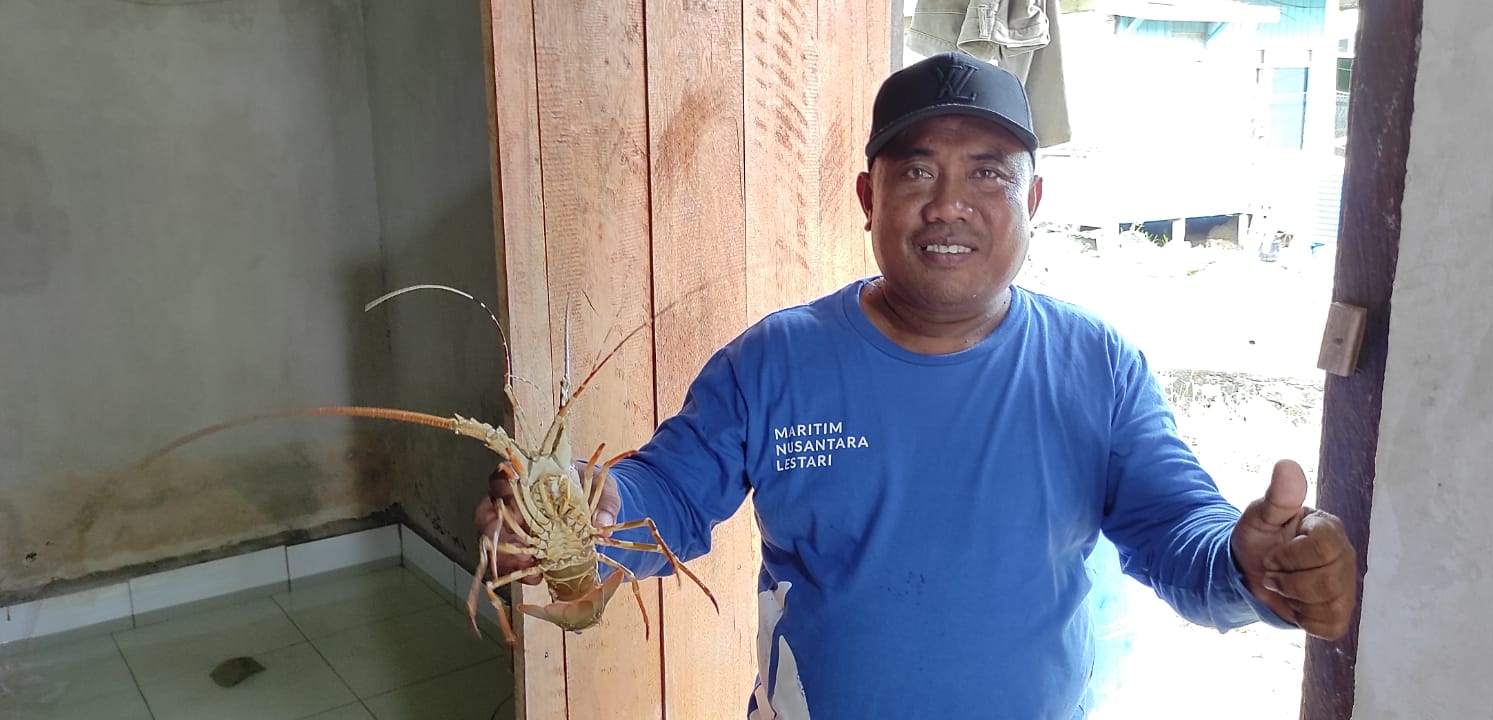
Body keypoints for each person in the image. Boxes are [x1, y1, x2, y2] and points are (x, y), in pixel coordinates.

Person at [475, 51, 1358, 720]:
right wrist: (588, 513)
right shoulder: (773, 361)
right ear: (869, 197)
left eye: (988, 173)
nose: (948, 203)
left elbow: (1180, 534)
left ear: (1033, 200)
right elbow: (664, 493)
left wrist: (1255, 569)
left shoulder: (1097, 365)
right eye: (916, 171)